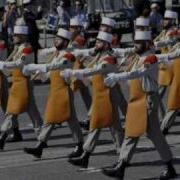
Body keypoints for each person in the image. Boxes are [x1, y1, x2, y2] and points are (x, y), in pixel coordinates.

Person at [102, 30, 177, 179]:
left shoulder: (150, 58)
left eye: (138, 43)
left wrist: (118, 76)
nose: (135, 46)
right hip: (137, 100)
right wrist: (110, 48)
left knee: (153, 134)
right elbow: (125, 51)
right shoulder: (138, 56)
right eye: (134, 42)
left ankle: (168, 167)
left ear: (147, 44)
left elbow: (138, 73)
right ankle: (121, 166)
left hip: (148, 100)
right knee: (131, 132)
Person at [62, 31, 124, 168]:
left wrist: (73, 73)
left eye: (99, 42)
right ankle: (86, 156)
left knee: (115, 128)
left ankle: (122, 158)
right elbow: (92, 76)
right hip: (100, 97)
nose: (96, 44)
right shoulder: (99, 57)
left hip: (108, 97)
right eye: (96, 42)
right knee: (96, 126)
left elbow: (93, 71)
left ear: (107, 44)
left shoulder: (109, 60)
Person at [23, 28, 84, 159]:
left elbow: (56, 67)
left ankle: (42, 145)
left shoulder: (68, 56)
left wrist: (38, 67)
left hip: (63, 91)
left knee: (62, 119)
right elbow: (50, 73)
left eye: (59, 39)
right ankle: (42, 145)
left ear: (66, 42)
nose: (56, 40)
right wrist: (41, 74)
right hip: (55, 90)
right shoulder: (56, 54)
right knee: (58, 119)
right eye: (55, 38)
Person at [0, 18, 43, 149]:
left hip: (25, 83)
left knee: (32, 112)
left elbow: (19, 64)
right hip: (17, 83)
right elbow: (10, 67)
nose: (13, 38)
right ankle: (2, 136)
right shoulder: (18, 48)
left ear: (23, 36)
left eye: (16, 36)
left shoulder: (27, 49)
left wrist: (3, 64)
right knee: (12, 110)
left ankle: (42, 137)